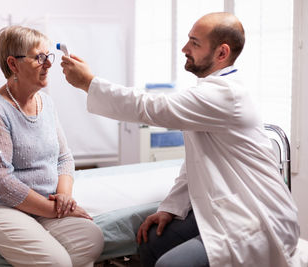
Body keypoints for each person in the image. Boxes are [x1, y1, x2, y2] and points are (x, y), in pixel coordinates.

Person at [60, 12, 300, 267]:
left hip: (256, 218)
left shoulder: (226, 95)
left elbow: (149, 106)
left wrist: (88, 82)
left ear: (222, 53)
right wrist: (169, 208)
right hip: (226, 210)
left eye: (195, 43)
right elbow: (196, 163)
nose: (185, 48)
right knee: (151, 240)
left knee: (170, 264)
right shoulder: (211, 92)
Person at [0, 25, 104, 267]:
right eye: (39, 57)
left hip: (41, 203)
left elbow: (64, 158)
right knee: (56, 262)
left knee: (91, 238)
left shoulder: (46, 103)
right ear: (13, 64)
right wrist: (54, 210)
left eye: (48, 56)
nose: (48, 64)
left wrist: (63, 199)